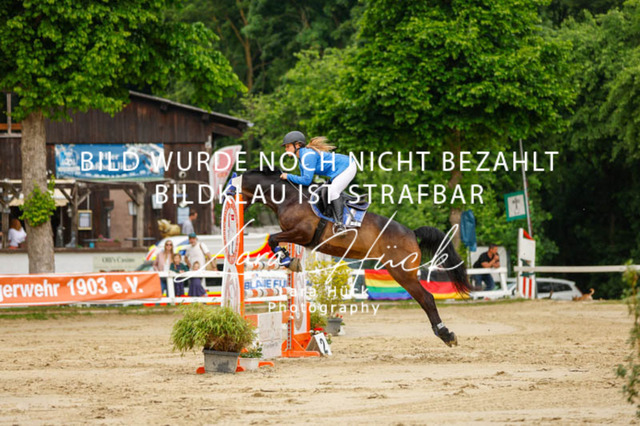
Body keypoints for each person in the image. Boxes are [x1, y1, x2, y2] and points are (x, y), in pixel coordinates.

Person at [279, 131, 357, 232]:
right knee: (324, 191)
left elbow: (306, 181)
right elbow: (304, 182)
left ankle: (340, 224)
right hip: (338, 171)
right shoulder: (301, 159)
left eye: (288, 146)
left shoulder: (308, 156)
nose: (286, 150)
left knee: (333, 192)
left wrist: (288, 176)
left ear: (297, 145)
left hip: (347, 167)